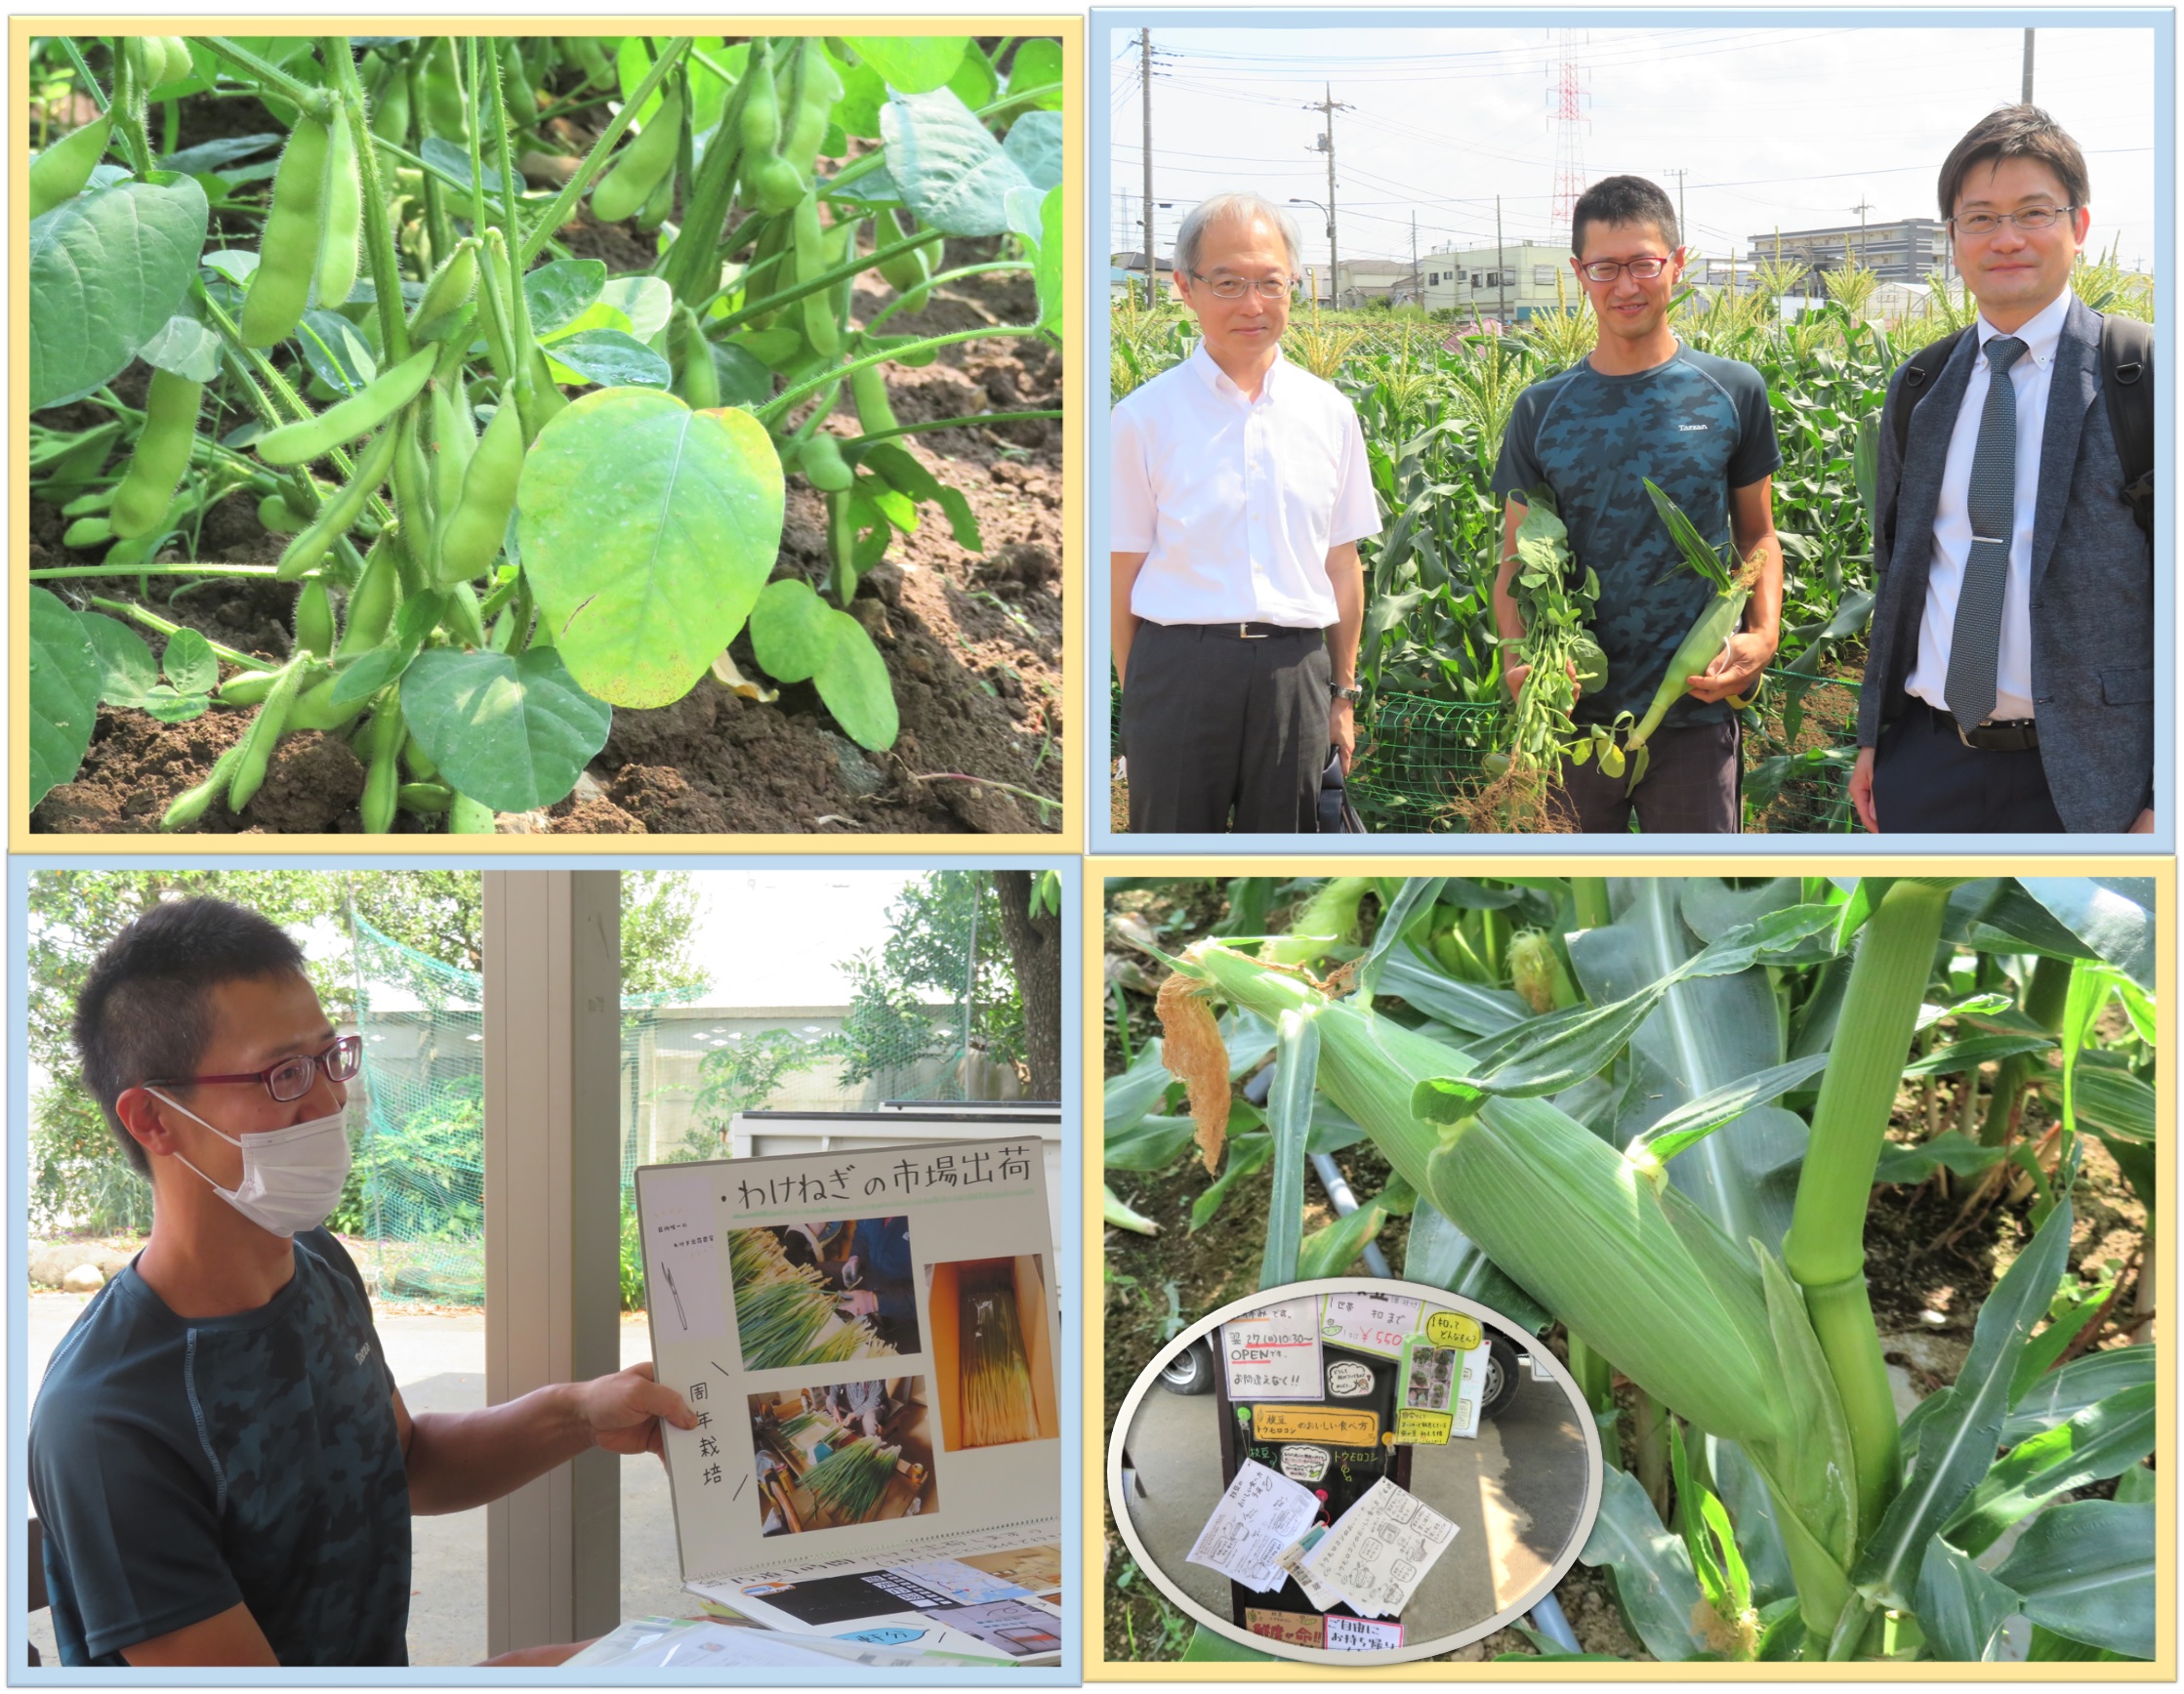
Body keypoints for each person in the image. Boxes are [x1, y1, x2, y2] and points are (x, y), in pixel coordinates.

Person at [28, 897, 698, 1668]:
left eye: (327, 1057)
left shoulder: (315, 1263)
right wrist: (568, 1671)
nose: (328, 1099)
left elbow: (401, 1460)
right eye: (282, 1073)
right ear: (153, 1118)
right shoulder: (110, 1420)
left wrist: (580, 1411)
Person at [1851, 106, 2156, 834]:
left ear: (2078, 226)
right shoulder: (1920, 387)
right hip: (1928, 760)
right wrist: (1872, 739)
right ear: (1951, 239)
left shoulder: (2143, 377)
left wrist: (2162, 793)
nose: (2007, 238)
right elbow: (1896, 570)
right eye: (1979, 218)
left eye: (2033, 213)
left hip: (2095, 782)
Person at [1492, 175, 1785, 833]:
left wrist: (1761, 635)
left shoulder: (1731, 391)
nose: (1625, 285)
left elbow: (1758, 537)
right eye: (1604, 268)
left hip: (1695, 711)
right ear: (1578, 274)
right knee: (1584, 917)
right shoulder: (1541, 410)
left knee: (1697, 911)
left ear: (1675, 265)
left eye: (1643, 264)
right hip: (1574, 720)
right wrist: (1520, 661)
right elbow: (1515, 559)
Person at [1111, 190, 1379, 833]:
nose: (1252, 304)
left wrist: (1342, 695)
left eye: (1270, 283)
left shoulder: (1331, 414)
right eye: (1228, 283)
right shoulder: (1139, 420)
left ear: (1296, 287)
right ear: (1185, 287)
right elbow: (1119, 572)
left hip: (1296, 674)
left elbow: (1342, 565)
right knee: (1169, 851)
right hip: (1177, 669)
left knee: (1287, 861)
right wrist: (1141, 690)